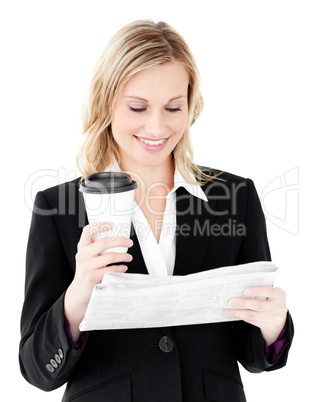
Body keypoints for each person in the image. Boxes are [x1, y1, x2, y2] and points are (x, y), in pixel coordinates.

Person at [19, 20, 294, 402]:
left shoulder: (235, 196)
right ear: (106, 102)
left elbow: (253, 353)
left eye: (173, 107)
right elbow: (37, 369)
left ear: (190, 105)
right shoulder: (57, 208)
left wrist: (273, 325)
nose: (157, 125)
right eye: (137, 107)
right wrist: (80, 290)